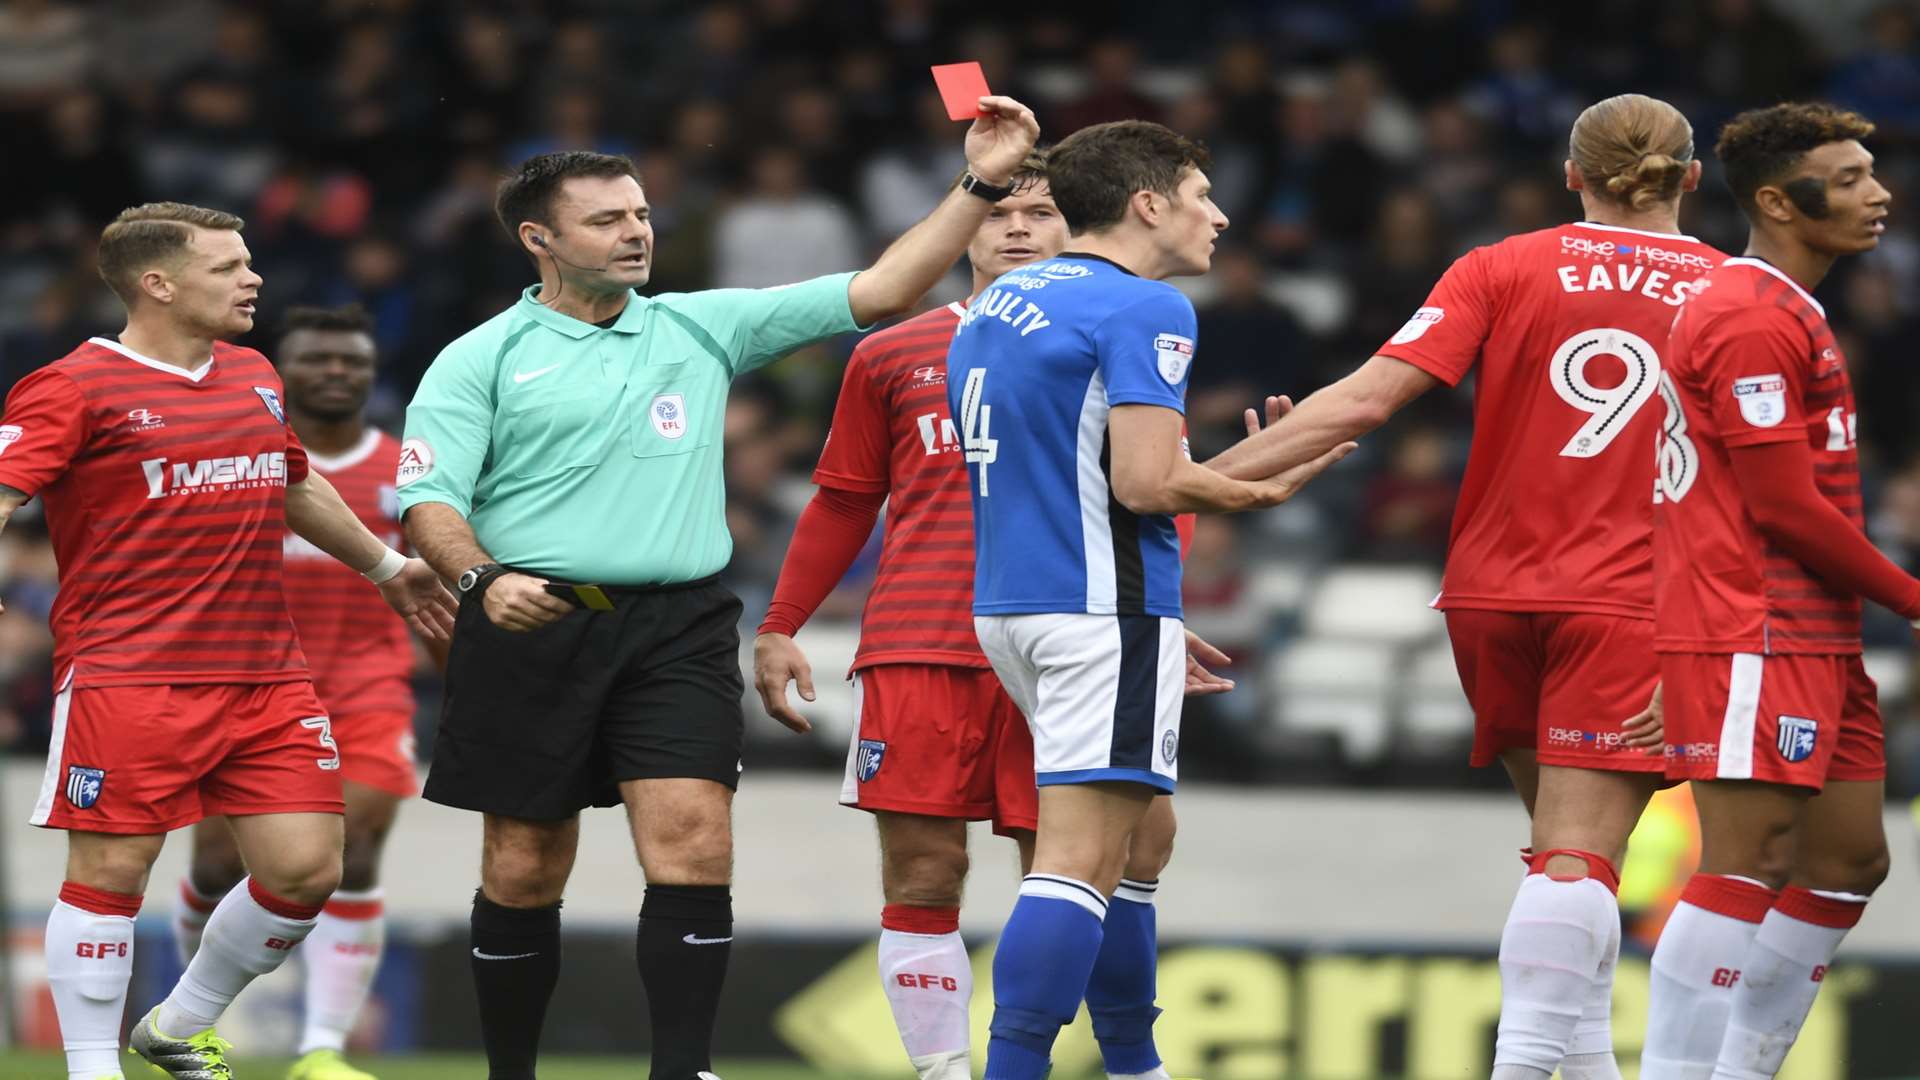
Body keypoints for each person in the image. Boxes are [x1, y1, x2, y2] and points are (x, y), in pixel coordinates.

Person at [398, 95, 1041, 1080]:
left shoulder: (701, 328)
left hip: (679, 625)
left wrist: (982, 184)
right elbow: (427, 500)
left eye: (643, 213)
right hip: (531, 621)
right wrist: (481, 577)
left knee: (695, 841)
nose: (637, 232)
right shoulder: (480, 359)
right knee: (524, 865)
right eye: (608, 219)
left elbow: (883, 288)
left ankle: (683, 1070)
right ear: (540, 238)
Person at [1204, 94, 1723, 1078]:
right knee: (1579, 858)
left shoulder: (1501, 264)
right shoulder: (1743, 293)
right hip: (1634, 602)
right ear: (1692, 179)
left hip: (1490, 596)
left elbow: (1365, 396)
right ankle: (1519, 1069)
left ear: (1571, 177)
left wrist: (1222, 477)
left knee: (1563, 860)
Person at [752, 154, 1220, 1080]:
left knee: (1109, 860)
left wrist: (1156, 613)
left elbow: (1156, 489)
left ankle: (1126, 1061)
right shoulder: (890, 354)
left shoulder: (1102, 325)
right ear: (958, 228)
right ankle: (947, 1072)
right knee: (925, 875)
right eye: (995, 213)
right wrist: (780, 620)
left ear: (1075, 224)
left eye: (1040, 213)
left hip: (1073, 626)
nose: (1014, 228)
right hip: (921, 643)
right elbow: (845, 500)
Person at [0, 203, 454, 1080]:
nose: (252, 279)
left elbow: (289, 479)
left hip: (267, 675)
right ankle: (90, 1070)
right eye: (227, 267)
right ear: (157, 283)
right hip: (128, 673)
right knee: (111, 869)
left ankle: (176, 1024)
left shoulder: (251, 372)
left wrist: (388, 568)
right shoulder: (75, 385)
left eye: (248, 262)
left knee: (309, 872)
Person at [944, 119, 1349, 1080]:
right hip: (1098, 608)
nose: (1218, 215)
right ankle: (1017, 1069)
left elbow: (1090, 468)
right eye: (1202, 195)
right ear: (1148, 204)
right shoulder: (1147, 308)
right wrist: (1257, 487)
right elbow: (1143, 482)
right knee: (1077, 860)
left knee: (1141, 840)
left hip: (1016, 602)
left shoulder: (998, 303)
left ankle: (1135, 1067)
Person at [1641, 102, 1904, 1079]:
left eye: (1869, 173)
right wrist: (1913, 597)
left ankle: (1740, 1069)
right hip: (1754, 619)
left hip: (1816, 628)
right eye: (1844, 180)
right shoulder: (1749, 314)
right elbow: (1784, 508)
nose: (1877, 194)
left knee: (1847, 861)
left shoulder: (1789, 308)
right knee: (1744, 863)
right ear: (1772, 201)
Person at [170, 304, 426, 1080]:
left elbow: (437, 582)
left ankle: (322, 1050)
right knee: (219, 868)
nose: (338, 372)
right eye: (318, 359)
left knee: (356, 853)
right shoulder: (234, 461)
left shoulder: (409, 470)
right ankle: (194, 1017)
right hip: (245, 687)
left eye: (353, 360)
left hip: (368, 688)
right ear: (281, 371)